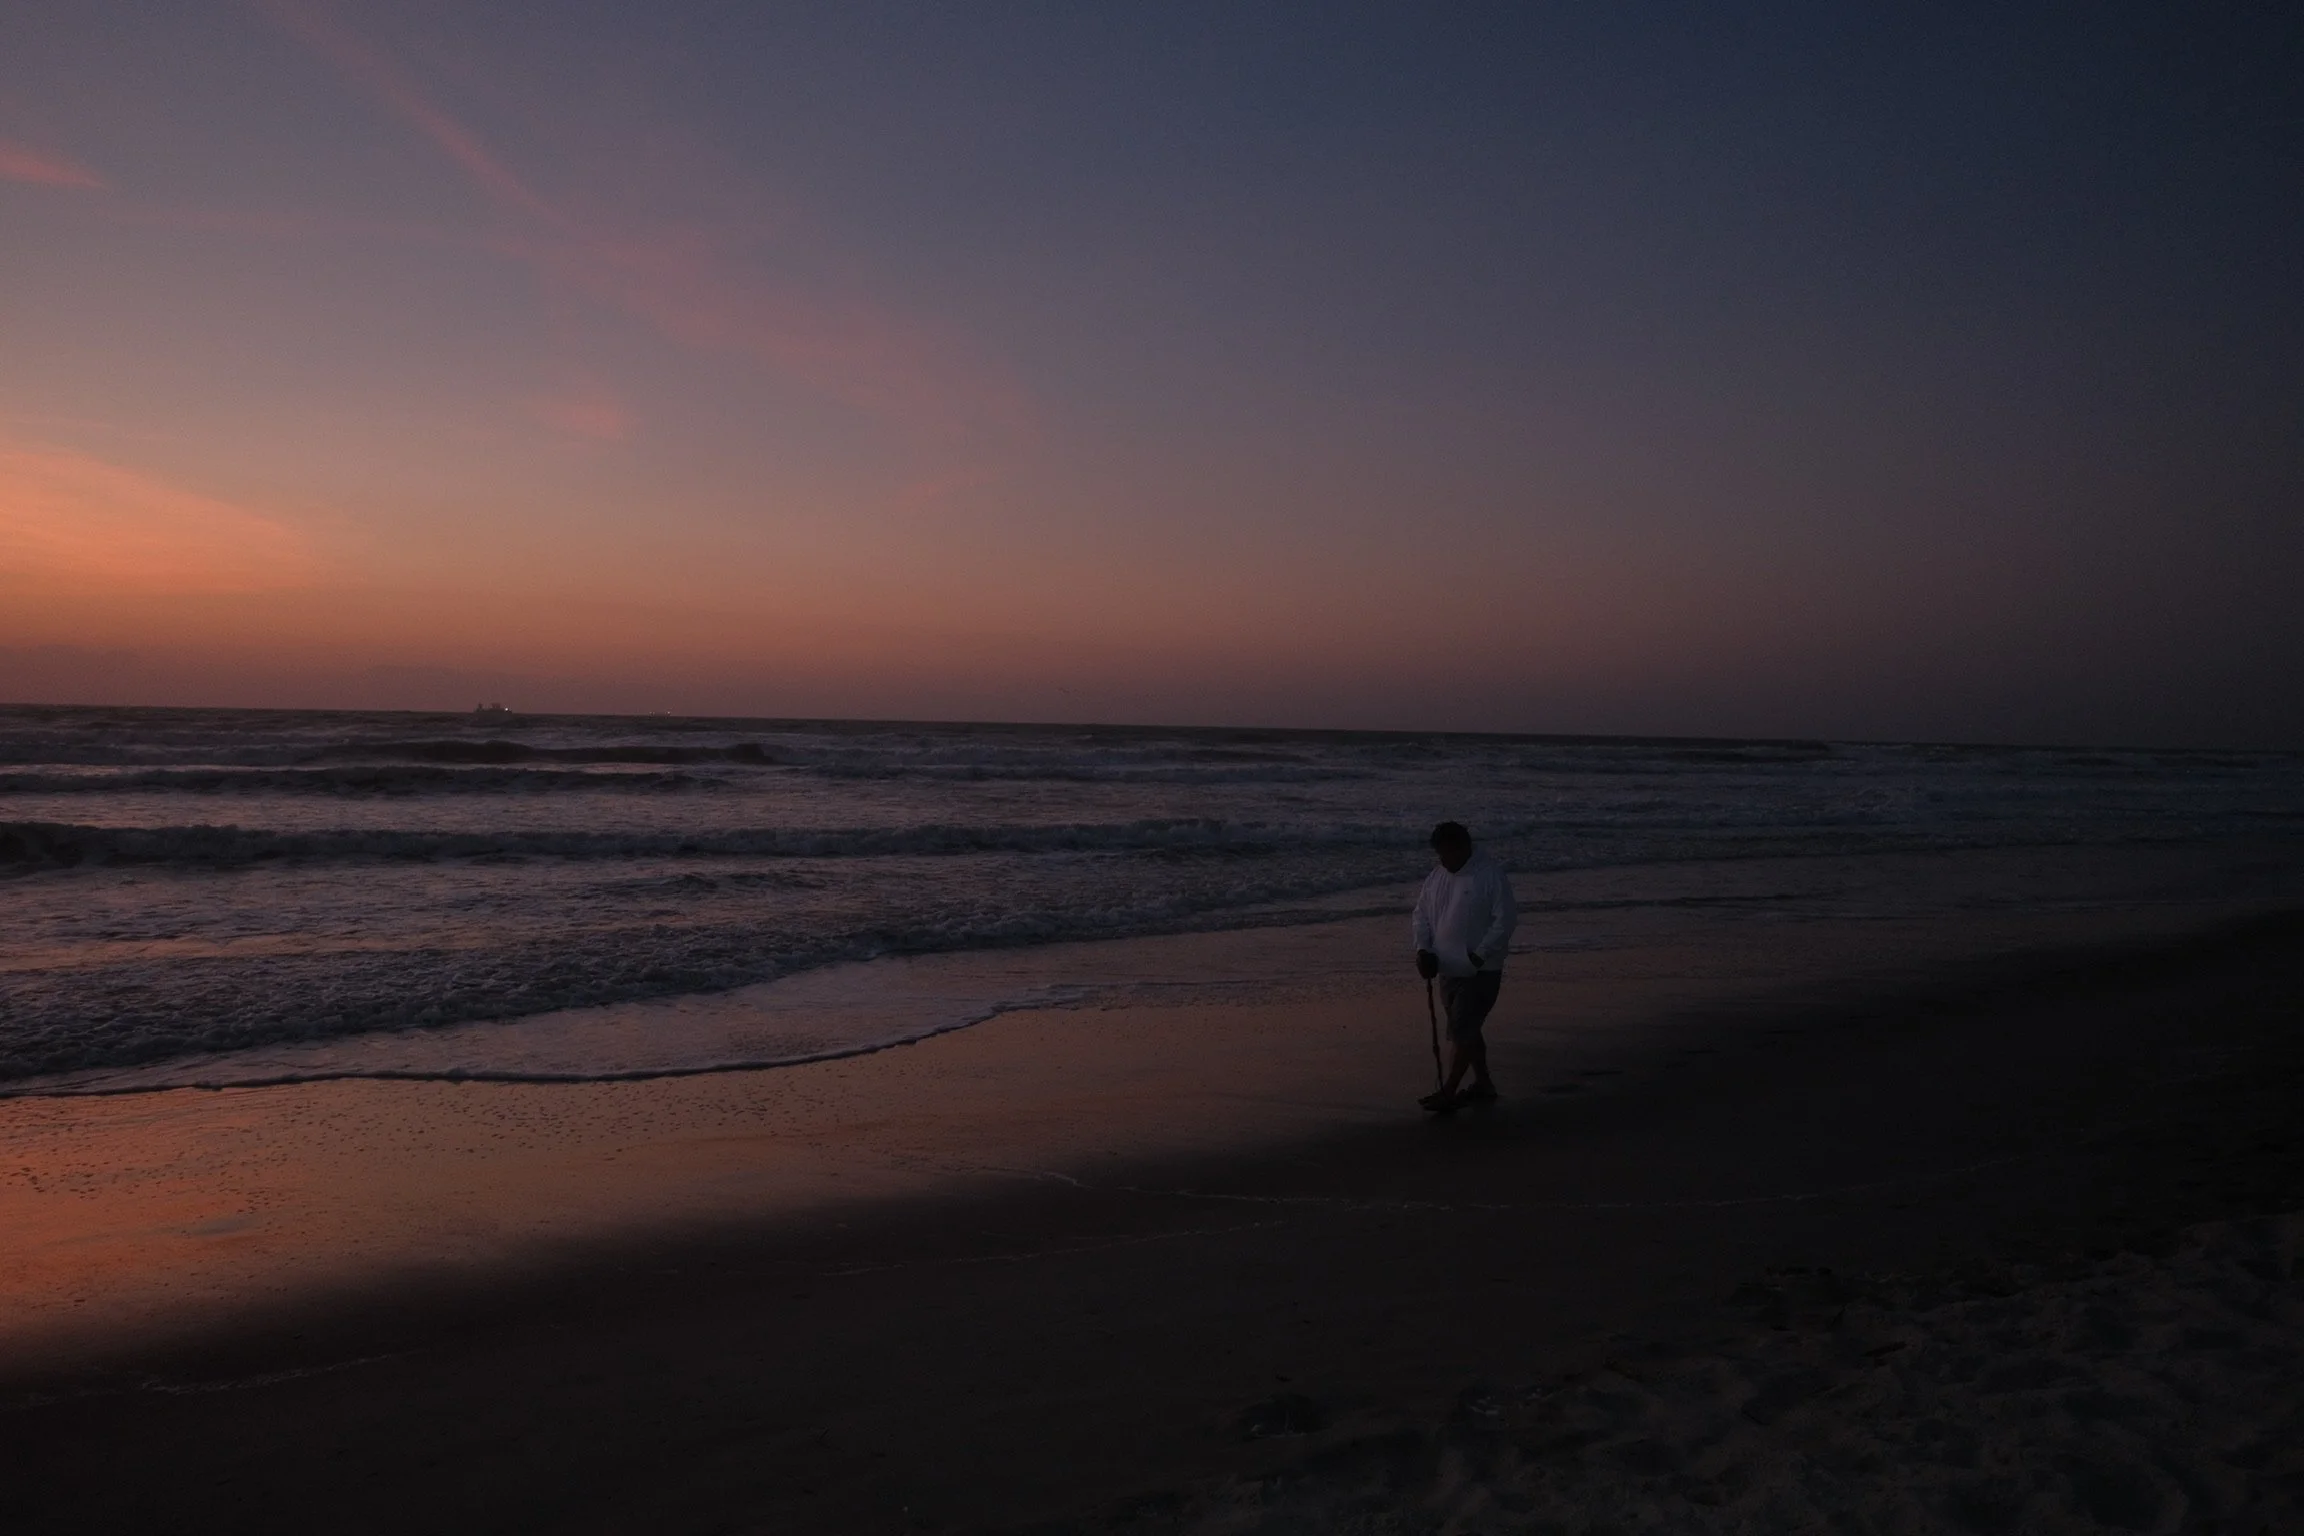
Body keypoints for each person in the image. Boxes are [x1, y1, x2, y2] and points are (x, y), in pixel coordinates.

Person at [1411, 821, 1517, 1111]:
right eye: (1439, 855)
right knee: (1468, 1030)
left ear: (1463, 847)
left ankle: (1449, 1091)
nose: (1442, 860)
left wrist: (1481, 954)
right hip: (1446, 967)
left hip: (1480, 970)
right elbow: (1421, 915)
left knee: (1463, 1029)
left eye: (1446, 853)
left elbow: (1505, 920)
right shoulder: (1437, 876)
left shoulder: (1490, 875)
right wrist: (1423, 950)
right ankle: (1484, 1084)